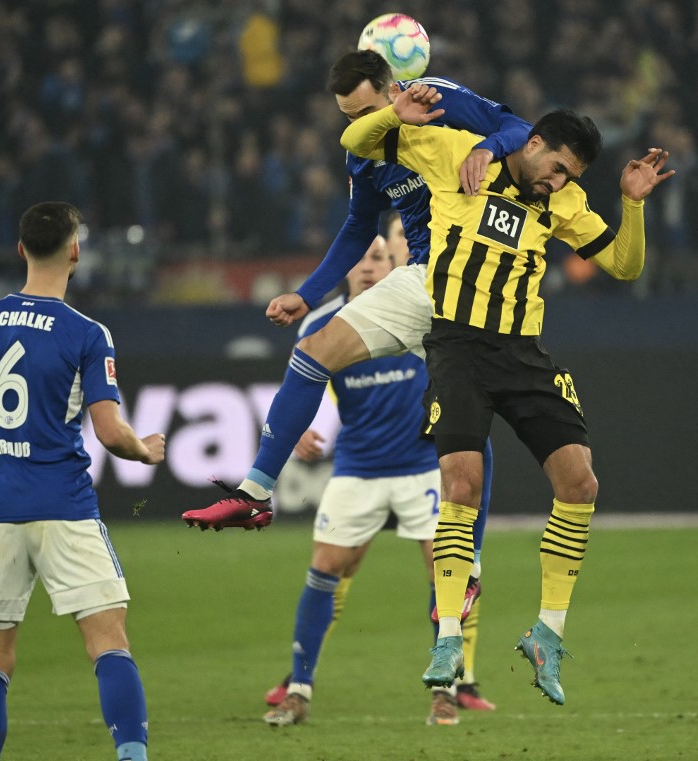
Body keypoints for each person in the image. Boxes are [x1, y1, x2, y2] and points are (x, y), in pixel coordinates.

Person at [340, 85, 673, 705]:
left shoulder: (565, 201)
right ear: (534, 142)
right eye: (555, 167)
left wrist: (632, 206)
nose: (557, 182)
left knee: (581, 484)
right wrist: (394, 115)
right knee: (460, 485)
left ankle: (548, 632)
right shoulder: (456, 154)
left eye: (570, 176)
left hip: (523, 354)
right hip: (458, 348)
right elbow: (353, 140)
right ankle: (447, 636)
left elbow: (625, 267)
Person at [180, 49, 531, 535]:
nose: (364, 124)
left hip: (476, 276)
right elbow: (358, 225)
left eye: (368, 112)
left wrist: (485, 149)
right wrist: (307, 295)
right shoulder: (363, 152)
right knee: (311, 353)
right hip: (423, 278)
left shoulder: (438, 100)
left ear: (393, 92)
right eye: (350, 118)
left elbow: (521, 129)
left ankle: (468, 561)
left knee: (467, 422)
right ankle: (255, 493)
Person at [0, 202, 165, 761]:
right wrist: (144, 451)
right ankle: (132, 756)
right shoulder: (86, 333)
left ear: (20, 249)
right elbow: (108, 433)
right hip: (64, 505)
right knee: (108, 642)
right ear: (75, 251)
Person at [262, 231, 494, 728]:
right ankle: (299, 688)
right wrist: (296, 429)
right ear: (346, 267)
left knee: (445, 570)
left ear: (396, 265)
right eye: (362, 258)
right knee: (325, 566)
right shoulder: (326, 324)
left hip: (421, 465)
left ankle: (445, 691)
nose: (370, 266)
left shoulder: (420, 313)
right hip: (358, 467)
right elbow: (300, 379)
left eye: (381, 257)